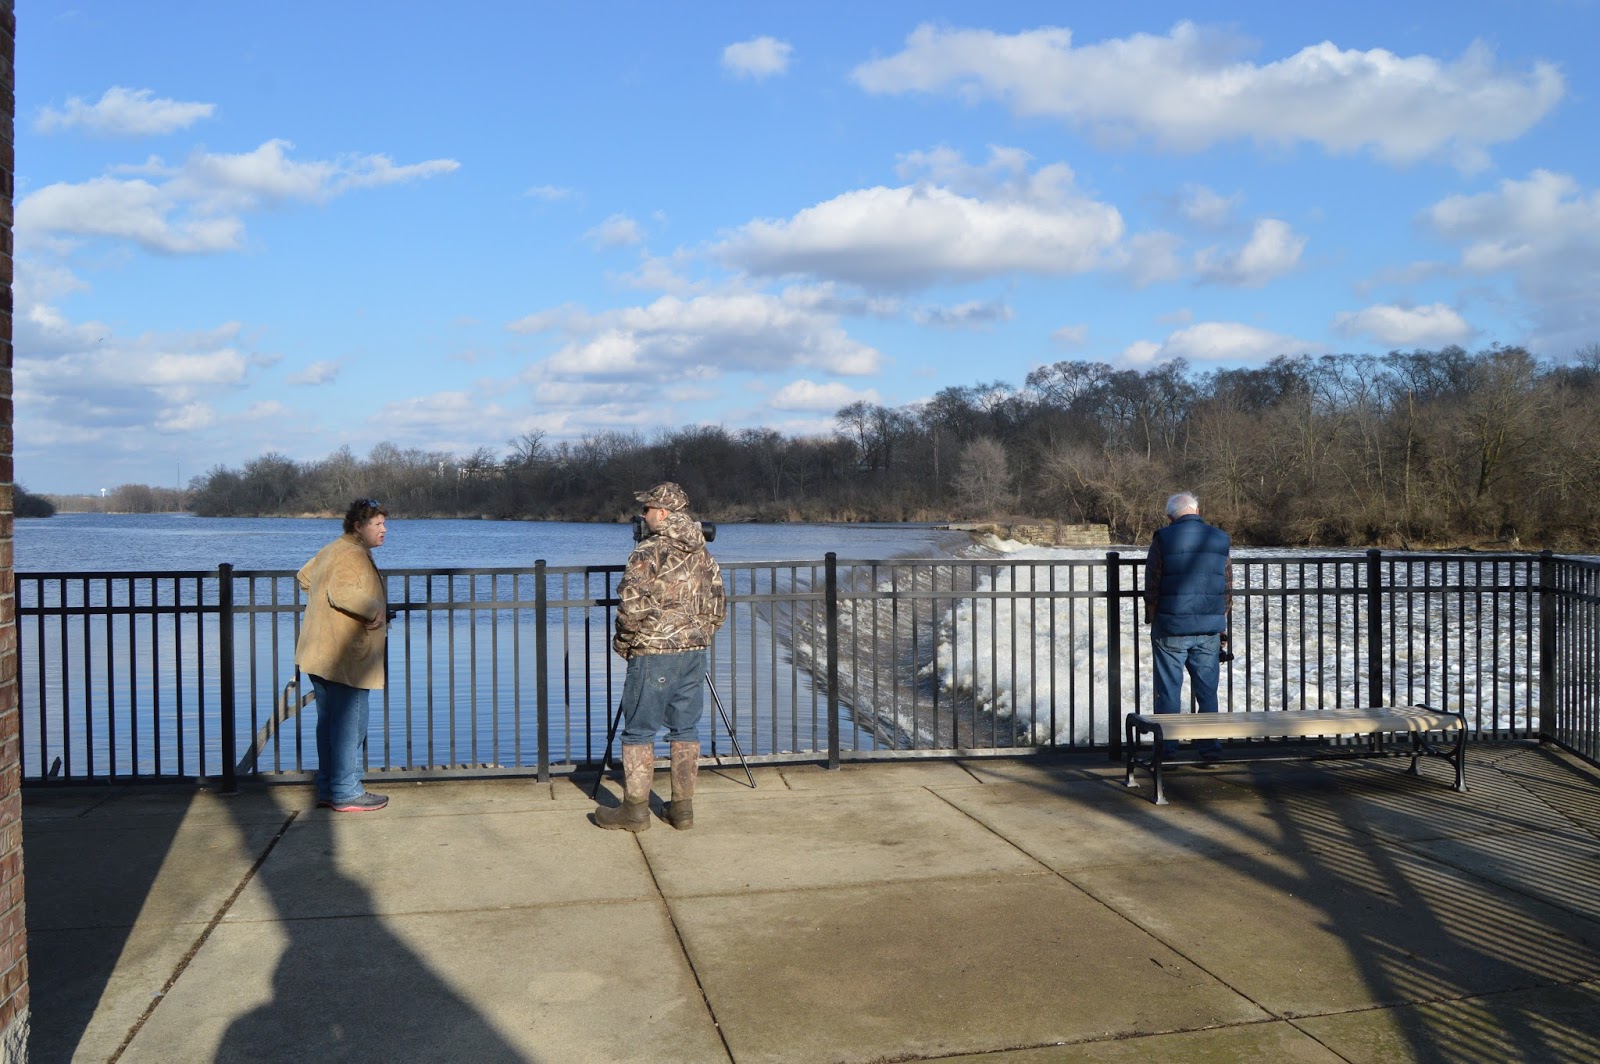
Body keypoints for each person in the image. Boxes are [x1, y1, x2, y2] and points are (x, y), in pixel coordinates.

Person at [595, 482, 726, 832]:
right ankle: (682, 810)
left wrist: (625, 643)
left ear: (663, 513)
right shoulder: (702, 552)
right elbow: (718, 605)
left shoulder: (649, 551)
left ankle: (634, 811)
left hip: (654, 651)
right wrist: (698, 635)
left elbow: (632, 606)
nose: (643, 515)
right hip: (693, 651)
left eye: (647, 509)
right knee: (685, 727)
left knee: (639, 730)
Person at [295, 498, 391, 812]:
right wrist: (374, 610)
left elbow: (304, 577)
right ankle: (347, 791)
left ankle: (328, 788)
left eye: (384, 524)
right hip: (346, 656)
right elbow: (342, 592)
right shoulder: (353, 554)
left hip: (319, 652)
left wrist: (325, 610)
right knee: (351, 724)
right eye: (377, 524)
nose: (384, 530)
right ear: (358, 526)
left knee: (329, 723)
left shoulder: (332, 549)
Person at [1142, 491, 1232, 761]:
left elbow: (1152, 584)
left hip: (1171, 626)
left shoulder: (1163, 538)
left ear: (1169, 516)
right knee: (1207, 692)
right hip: (1209, 630)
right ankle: (1210, 751)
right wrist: (1221, 625)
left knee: (1169, 692)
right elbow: (1227, 588)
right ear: (1197, 510)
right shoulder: (1219, 538)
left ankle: (1167, 753)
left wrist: (1154, 617)